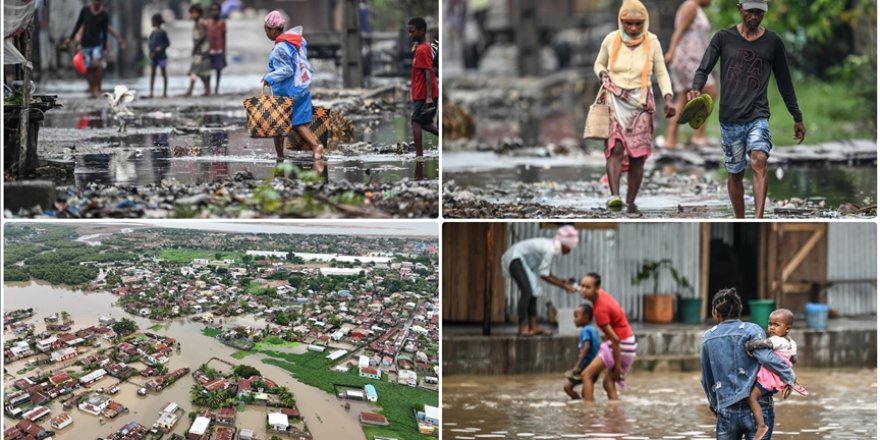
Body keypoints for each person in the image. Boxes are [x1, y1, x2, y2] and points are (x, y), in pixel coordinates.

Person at [689, 0, 806, 219]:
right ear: (739, 8)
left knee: (759, 159)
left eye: (759, 13)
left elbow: (784, 82)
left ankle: (758, 220)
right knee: (735, 174)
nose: (754, 16)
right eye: (750, 11)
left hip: (757, 115)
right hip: (730, 118)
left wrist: (796, 116)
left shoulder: (773, 42)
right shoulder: (723, 38)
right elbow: (703, 69)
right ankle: (741, 220)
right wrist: (696, 88)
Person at [593, 0, 676, 211]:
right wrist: (602, 73)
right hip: (615, 100)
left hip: (640, 105)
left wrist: (668, 97)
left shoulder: (652, 42)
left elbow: (661, 73)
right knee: (615, 148)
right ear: (621, 21)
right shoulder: (611, 40)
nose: (632, 28)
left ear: (645, 22)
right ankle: (615, 196)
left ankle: (630, 202)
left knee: (637, 156)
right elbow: (599, 63)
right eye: (628, 23)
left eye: (638, 24)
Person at [701, 289, 796, 440]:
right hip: (758, 406)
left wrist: (714, 405)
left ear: (715, 313)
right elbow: (766, 358)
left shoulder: (708, 337)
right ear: (740, 309)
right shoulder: (753, 329)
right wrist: (789, 375)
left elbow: (706, 379)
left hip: (726, 407)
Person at [261, 10, 325, 162]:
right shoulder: (295, 43)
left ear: (273, 30)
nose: (266, 33)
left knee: (280, 125)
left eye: (266, 29)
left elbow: (287, 70)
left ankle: (286, 154)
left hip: (287, 91)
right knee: (299, 122)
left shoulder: (280, 48)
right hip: (301, 87)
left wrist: (269, 77)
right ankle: (311, 148)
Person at [500, 225, 579, 336]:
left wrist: (562, 281)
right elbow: (544, 275)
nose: (569, 251)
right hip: (515, 258)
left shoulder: (551, 246)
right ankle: (522, 327)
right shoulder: (550, 249)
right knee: (527, 291)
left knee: (534, 291)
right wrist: (563, 286)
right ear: (565, 245)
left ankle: (534, 327)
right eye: (569, 248)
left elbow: (545, 271)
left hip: (522, 261)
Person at [745, 308, 808, 439]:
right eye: (770, 324)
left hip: (769, 376)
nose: (772, 328)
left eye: (777, 325)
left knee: (752, 397)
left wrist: (749, 345)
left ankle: (761, 425)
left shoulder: (776, 340)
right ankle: (789, 384)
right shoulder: (792, 343)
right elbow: (793, 359)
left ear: (787, 328)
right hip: (778, 376)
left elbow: (763, 343)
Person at [664, 0, 717, 149]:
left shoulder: (696, 8)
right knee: (710, 91)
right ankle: (697, 136)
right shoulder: (691, 6)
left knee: (683, 98)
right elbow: (679, 31)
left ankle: (670, 140)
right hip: (688, 58)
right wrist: (671, 52)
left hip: (694, 59)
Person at [577, 273, 637, 401]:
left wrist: (618, 366)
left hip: (621, 344)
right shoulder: (600, 295)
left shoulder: (600, 311)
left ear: (597, 289)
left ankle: (588, 410)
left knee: (586, 375)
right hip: (629, 342)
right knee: (608, 383)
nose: (583, 290)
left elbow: (615, 339)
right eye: (582, 286)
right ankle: (615, 410)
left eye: (588, 287)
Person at [66, 0, 126, 98]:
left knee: (96, 65)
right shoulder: (85, 11)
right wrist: (71, 38)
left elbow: (106, 31)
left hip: (97, 44)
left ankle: (98, 88)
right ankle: (92, 88)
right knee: (88, 67)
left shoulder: (103, 15)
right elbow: (78, 25)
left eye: (98, 2)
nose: (96, 3)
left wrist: (105, 47)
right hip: (86, 43)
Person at [407, 17, 439, 159]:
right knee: (423, 123)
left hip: (424, 94)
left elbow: (428, 72)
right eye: (409, 32)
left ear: (422, 31)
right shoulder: (419, 49)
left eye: (412, 31)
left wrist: (429, 97)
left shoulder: (423, 49)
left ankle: (419, 156)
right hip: (419, 93)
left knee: (416, 122)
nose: (410, 35)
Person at [564, 303, 601, 399]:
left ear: (585, 318)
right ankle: (585, 406)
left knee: (567, 388)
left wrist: (578, 365)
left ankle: (578, 403)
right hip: (596, 366)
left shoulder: (585, 330)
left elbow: (586, 347)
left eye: (576, 316)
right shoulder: (593, 329)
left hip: (586, 366)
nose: (574, 319)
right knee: (586, 394)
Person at [185, 4, 212, 96]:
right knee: (197, 71)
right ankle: (205, 89)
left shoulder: (200, 22)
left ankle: (202, 90)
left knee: (196, 71)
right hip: (201, 50)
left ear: (199, 13)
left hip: (201, 50)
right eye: (192, 13)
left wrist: (195, 47)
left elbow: (203, 35)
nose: (193, 15)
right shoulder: (198, 22)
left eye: (195, 13)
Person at [205, 3, 227, 95]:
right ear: (210, 11)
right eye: (213, 10)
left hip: (219, 49)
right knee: (208, 70)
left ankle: (216, 88)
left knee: (218, 69)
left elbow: (224, 38)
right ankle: (208, 88)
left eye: (216, 10)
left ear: (219, 11)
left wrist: (224, 52)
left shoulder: (222, 23)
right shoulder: (207, 23)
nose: (215, 12)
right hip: (209, 49)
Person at [148, 13, 170, 99]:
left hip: (161, 56)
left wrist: (161, 48)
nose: (152, 22)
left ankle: (165, 92)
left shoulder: (163, 33)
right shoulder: (153, 33)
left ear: (156, 22)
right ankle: (151, 92)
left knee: (163, 73)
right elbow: (150, 44)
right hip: (154, 56)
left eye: (153, 21)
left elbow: (167, 43)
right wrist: (151, 52)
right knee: (152, 74)